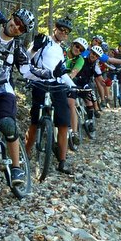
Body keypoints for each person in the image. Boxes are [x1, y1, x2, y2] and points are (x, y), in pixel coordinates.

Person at [0, 6, 58, 186]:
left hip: (3, 91)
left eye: (21, 28)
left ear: (22, 33)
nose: (16, 27)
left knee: (7, 124)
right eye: (16, 21)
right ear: (11, 18)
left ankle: (16, 167)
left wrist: (52, 73)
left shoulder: (17, 48)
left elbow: (28, 71)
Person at [25, 17, 76, 174]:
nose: (63, 33)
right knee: (34, 122)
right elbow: (26, 57)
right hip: (40, 82)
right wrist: (34, 49)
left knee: (63, 123)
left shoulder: (61, 50)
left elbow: (61, 73)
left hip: (56, 85)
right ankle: (24, 155)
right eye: (61, 29)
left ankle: (62, 161)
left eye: (66, 32)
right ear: (55, 28)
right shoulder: (44, 40)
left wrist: (74, 87)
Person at [65, 37, 88, 148]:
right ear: (73, 45)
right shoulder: (62, 52)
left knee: (71, 104)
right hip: (55, 81)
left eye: (81, 49)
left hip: (70, 82)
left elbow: (74, 72)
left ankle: (74, 133)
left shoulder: (80, 60)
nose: (78, 49)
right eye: (77, 46)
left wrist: (68, 77)